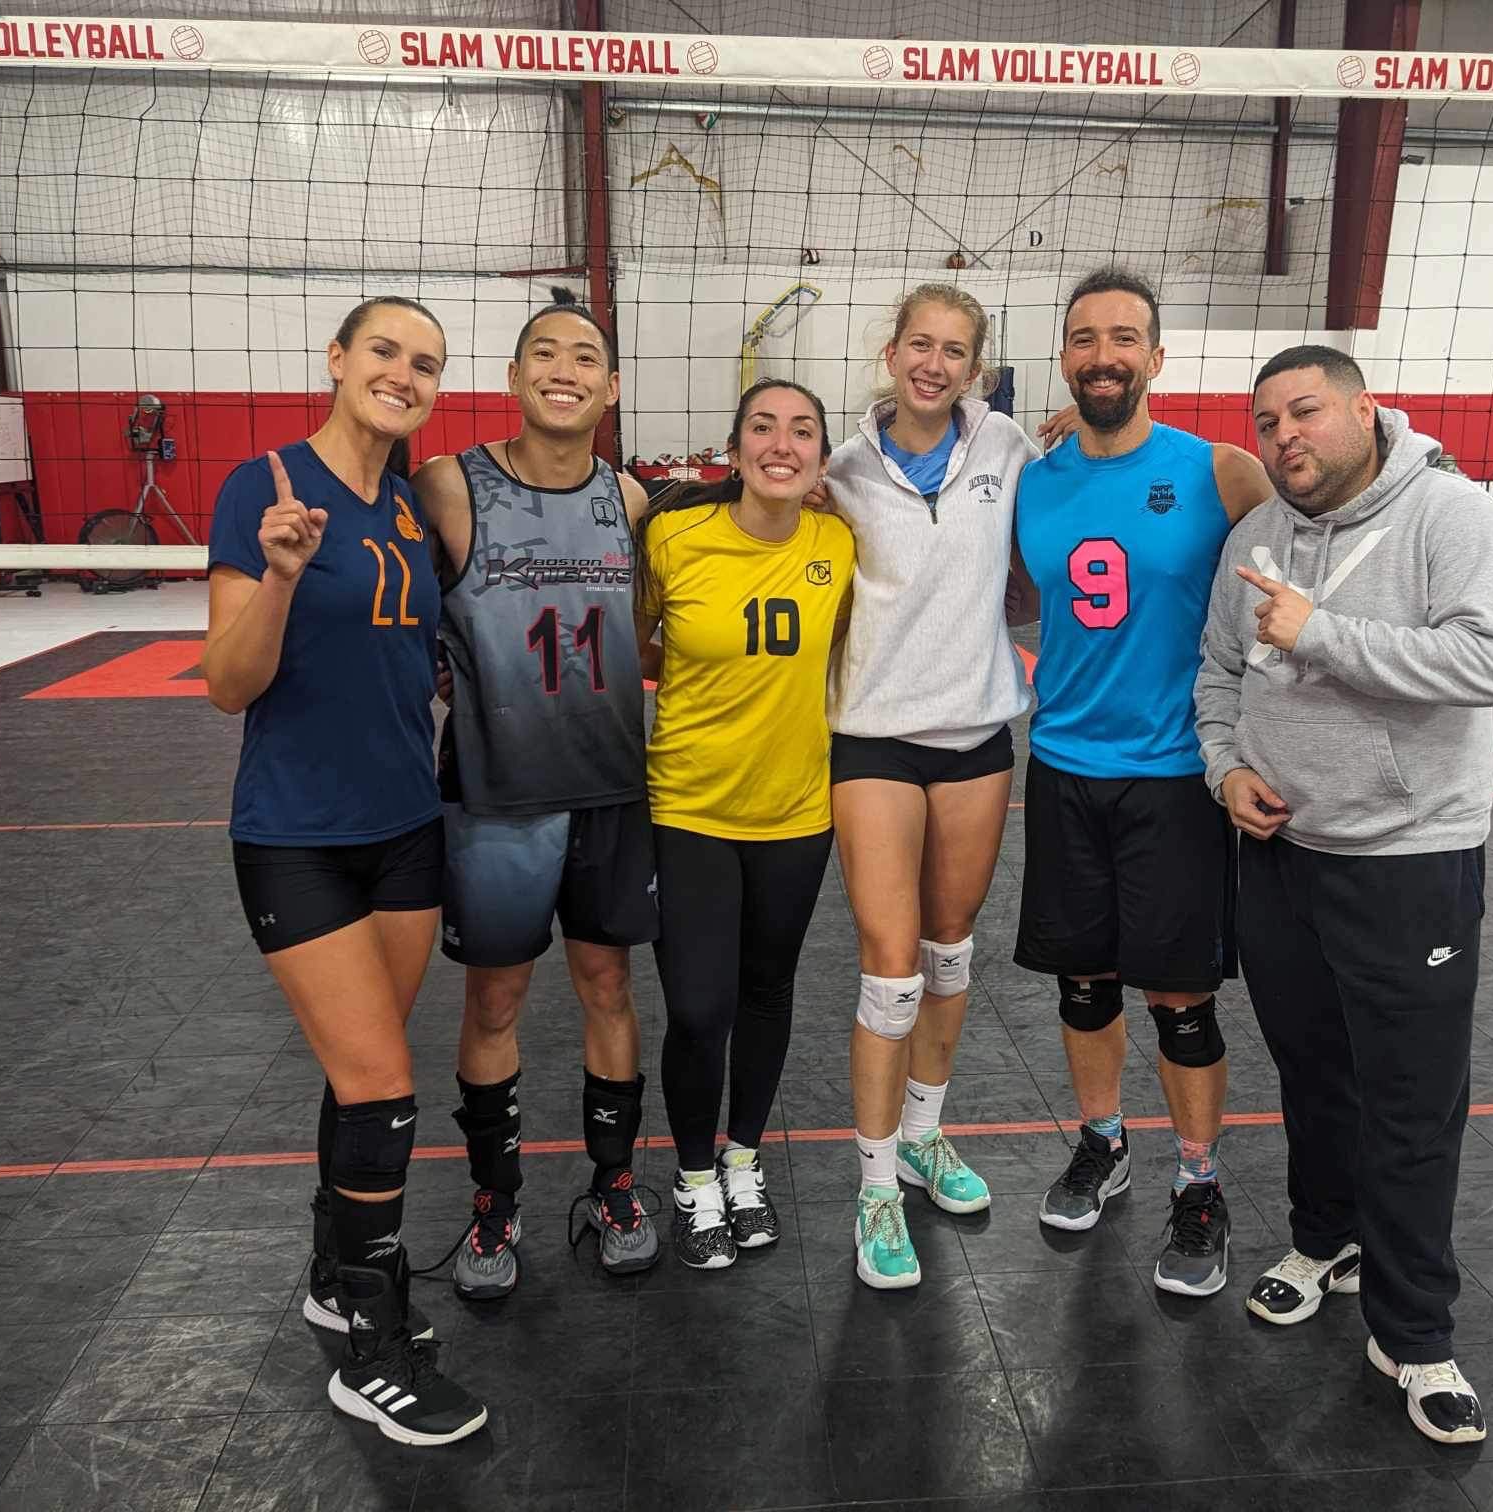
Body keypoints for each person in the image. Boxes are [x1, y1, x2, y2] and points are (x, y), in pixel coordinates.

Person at [1196, 344, 1493, 1446]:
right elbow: (1220, 672)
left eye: (1305, 412)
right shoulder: (1254, 534)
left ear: (1364, 410)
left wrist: (1321, 631)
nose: (1285, 436)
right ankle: (1324, 1238)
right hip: (1282, 852)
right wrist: (1224, 769)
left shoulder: (1450, 515)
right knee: (1314, 1075)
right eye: (1267, 422)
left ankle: (1415, 1332)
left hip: (1409, 859)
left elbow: (1491, 664)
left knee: (1411, 1104)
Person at [201, 294, 487, 1446]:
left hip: (406, 830)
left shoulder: (414, 508)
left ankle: (335, 1275)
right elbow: (228, 685)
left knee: (358, 1073)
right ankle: (372, 1347)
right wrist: (279, 575)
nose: (404, 374)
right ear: (337, 357)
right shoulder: (262, 486)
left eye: (426, 363)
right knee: (381, 1088)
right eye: (385, 350)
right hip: (296, 835)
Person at [1009, 266, 1273, 1298]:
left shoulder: (1220, 471)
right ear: (1065, 358)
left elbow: (1312, 544)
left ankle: (1199, 1183)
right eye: (1085, 338)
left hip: (1174, 778)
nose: (1103, 355)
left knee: (1179, 999)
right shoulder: (1035, 479)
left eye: (1124, 338)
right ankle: (1104, 1142)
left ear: (1156, 358)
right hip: (1064, 768)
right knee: (1082, 985)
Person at [409, 289, 660, 1299]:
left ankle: (615, 1187)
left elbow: (647, 630)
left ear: (611, 387)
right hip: (497, 795)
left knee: (609, 988)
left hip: (610, 790)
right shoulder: (448, 484)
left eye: (584, 356)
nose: (565, 369)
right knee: (496, 999)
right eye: (544, 354)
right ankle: (494, 1201)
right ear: (514, 378)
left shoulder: (628, 500)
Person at [821, 284, 1047, 1290]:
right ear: (893, 352)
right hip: (874, 739)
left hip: (976, 736)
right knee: (892, 969)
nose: (934, 363)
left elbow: (1054, 532)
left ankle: (923, 1135)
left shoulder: (1007, 448)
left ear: (975, 367)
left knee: (951, 952)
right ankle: (874, 1187)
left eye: (955, 350)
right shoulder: (841, 469)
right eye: (921, 343)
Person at [633, 380, 855, 1268]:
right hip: (689, 805)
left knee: (768, 991)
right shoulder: (674, 537)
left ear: (821, 460)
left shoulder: (837, 542)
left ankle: (742, 1160)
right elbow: (634, 641)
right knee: (698, 1007)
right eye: (763, 427)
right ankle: (693, 1177)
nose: (781, 444)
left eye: (802, 431)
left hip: (797, 811)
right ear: (734, 450)